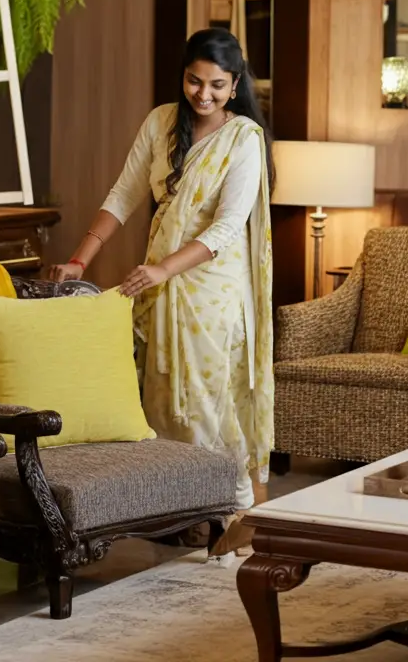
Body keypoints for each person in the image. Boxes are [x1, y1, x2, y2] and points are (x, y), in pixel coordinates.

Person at [49, 28, 275, 521]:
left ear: (235, 86)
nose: (203, 94)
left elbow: (227, 228)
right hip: (158, 282)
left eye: (217, 85)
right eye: (195, 81)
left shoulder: (243, 139)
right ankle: (181, 513)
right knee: (160, 402)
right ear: (183, 75)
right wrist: (80, 260)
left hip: (212, 292)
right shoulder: (161, 122)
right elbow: (122, 195)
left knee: (206, 404)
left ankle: (234, 515)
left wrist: (162, 270)